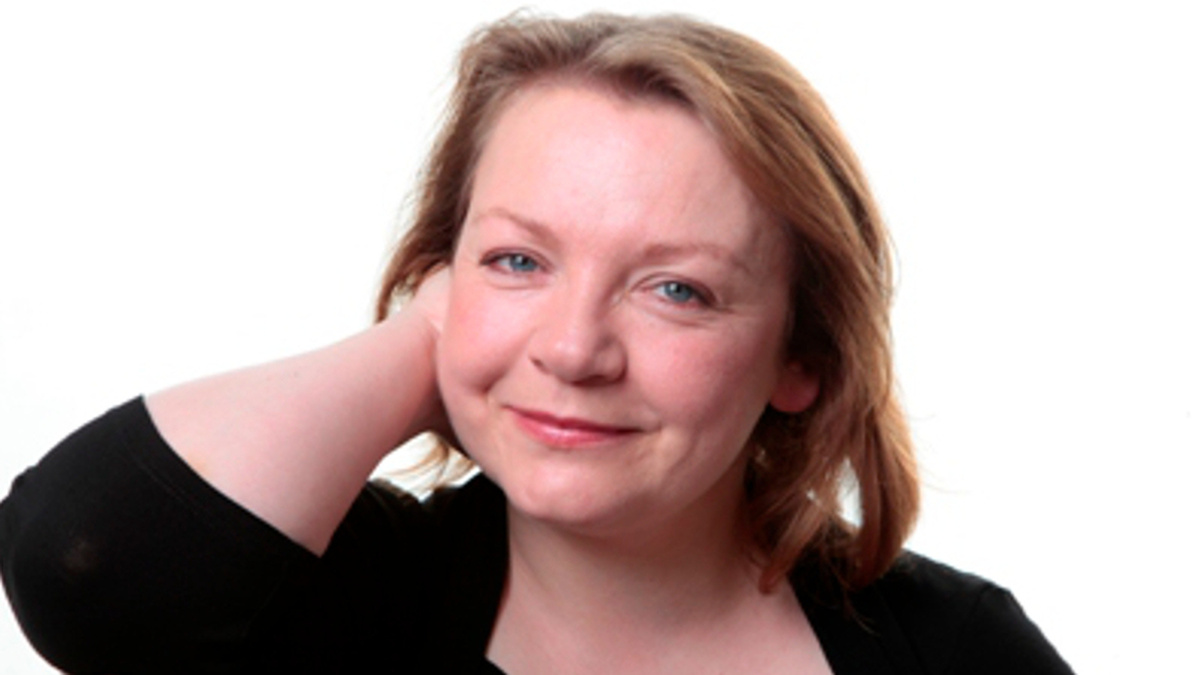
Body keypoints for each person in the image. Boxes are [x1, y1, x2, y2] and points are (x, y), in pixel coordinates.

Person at [0, 12, 1072, 674]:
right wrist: (434, 335)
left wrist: (490, 295)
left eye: (677, 289)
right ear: (441, 272)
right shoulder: (337, 600)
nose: (572, 349)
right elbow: (80, 563)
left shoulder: (953, 650)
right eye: (519, 260)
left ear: (806, 360)